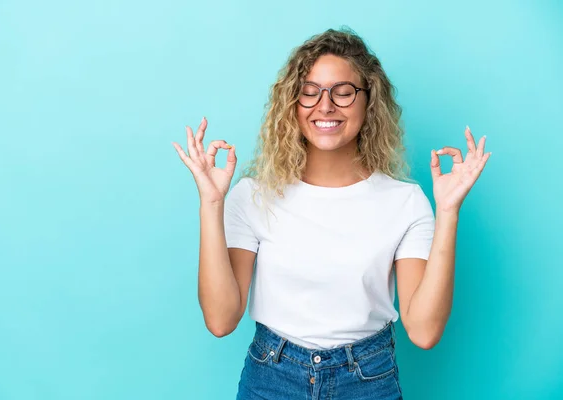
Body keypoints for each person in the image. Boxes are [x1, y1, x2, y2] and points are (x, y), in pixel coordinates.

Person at [172, 27, 491, 400]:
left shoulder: (406, 202)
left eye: (343, 92)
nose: (325, 106)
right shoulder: (253, 195)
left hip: (368, 380)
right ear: (292, 103)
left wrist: (448, 212)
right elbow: (220, 320)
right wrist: (211, 205)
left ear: (368, 102)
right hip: (270, 379)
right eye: (310, 92)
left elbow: (424, 331)